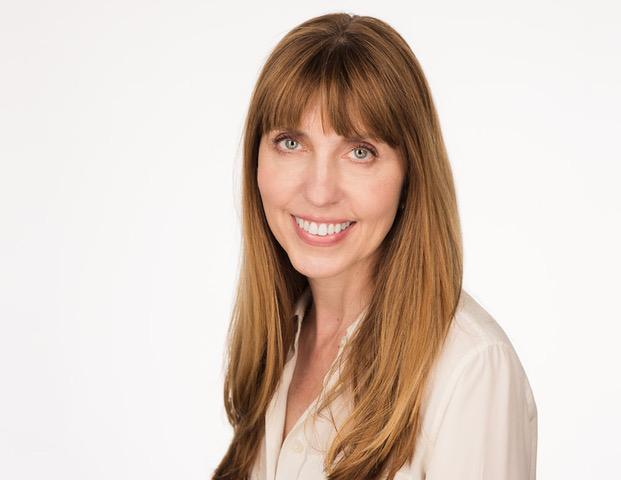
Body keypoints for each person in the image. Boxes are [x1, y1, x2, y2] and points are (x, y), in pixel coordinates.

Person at [212, 12, 537, 480]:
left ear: (411, 174)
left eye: (360, 151)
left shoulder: (471, 371)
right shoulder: (279, 341)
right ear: (255, 162)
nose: (320, 190)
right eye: (290, 143)